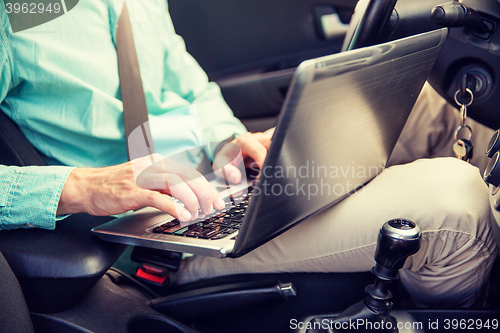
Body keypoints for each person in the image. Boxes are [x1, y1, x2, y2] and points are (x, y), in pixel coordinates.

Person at [0, 1, 496, 308]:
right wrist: (84, 187)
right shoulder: (12, 17)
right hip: (152, 236)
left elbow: (190, 86)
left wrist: (227, 139)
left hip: (217, 180)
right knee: (455, 204)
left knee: (434, 108)